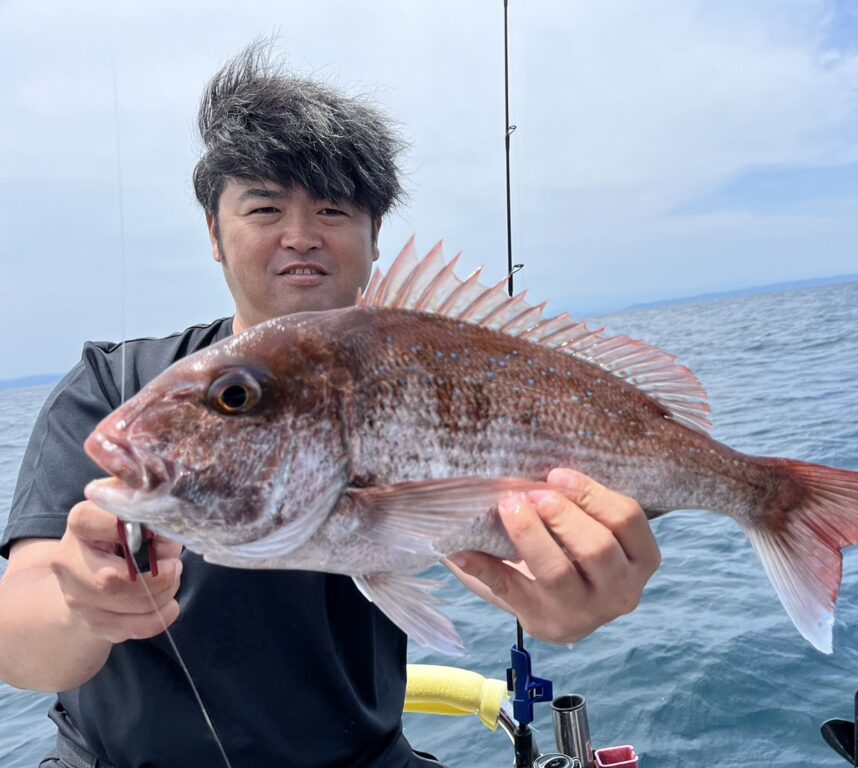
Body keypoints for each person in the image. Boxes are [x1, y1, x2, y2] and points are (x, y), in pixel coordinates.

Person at [0, 42, 661, 768]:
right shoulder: (113, 384)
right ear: (214, 234)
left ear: (375, 239)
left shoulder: (422, 365)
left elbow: (479, 540)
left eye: (332, 208)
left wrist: (568, 595)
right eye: (264, 207)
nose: (300, 236)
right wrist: (79, 603)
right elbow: (17, 643)